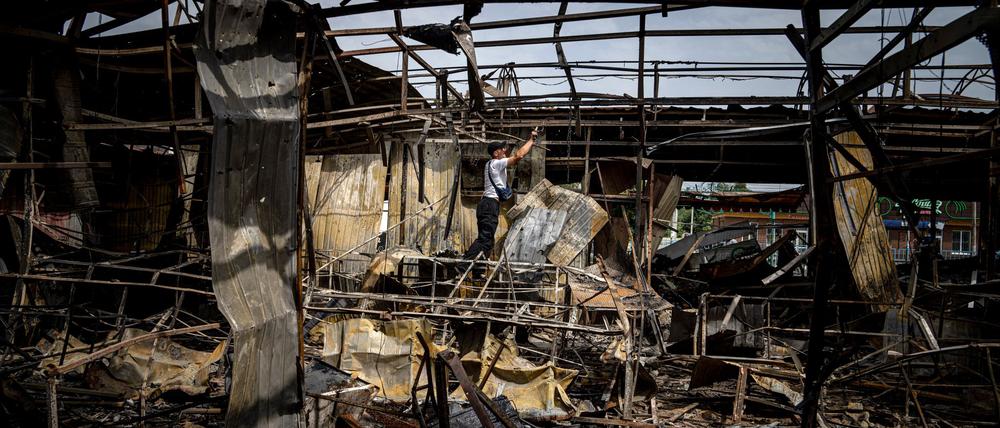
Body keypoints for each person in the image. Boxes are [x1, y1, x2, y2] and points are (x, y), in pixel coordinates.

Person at [462, 129, 538, 259]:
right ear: (496, 153)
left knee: (488, 240)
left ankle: (477, 267)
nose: (505, 151)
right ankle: (463, 264)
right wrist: (531, 140)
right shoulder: (496, 163)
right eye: (502, 149)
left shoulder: (491, 165)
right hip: (489, 204)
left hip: (487, 204)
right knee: (485, 239)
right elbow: (518, 156)